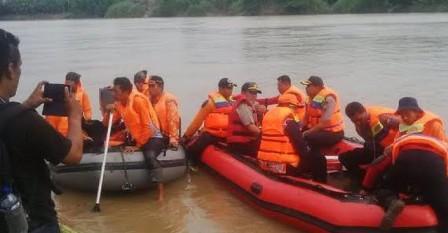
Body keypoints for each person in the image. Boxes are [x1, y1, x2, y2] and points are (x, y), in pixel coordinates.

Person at [0, 29, 83, 233]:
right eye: (19, 66)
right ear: (10, 68)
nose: (19, 72)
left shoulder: (18, 113)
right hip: (32, 220)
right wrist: (75, 116)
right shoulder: (25, 122)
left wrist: (26, 105)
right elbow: (73, 156)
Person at [362, 97, 448, 232]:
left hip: (413, 159)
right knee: (442, 206)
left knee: (384, 188)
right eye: (401, 115)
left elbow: (391, 155)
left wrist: (366, 188)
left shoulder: (433, 125)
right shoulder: (403, 126)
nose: (404, 117)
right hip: (431, 163)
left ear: (417, 112)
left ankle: (392, 201)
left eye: (406, 113)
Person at [104, 77, 165, 200]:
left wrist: (137, 146)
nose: (114, 94)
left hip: (152, 136)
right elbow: (107, 124)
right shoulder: (119, 103)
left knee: (150, 156)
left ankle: (161, 194)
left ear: (126, 91)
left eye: (116, 91)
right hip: (137, 137)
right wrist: (107, 111)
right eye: (113, 91)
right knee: (109, 142)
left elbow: (147, 127)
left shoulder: (138, 101)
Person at [300, 76, 344, 183]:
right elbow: (305, 119)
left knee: (310, 139)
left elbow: (325, 122)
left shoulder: (329, 98)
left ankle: (320, 178)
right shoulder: (311, 99)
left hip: (333, 132)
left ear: (317, 87)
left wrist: (306, 133)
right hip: (319, 130)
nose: (306, 89)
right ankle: (306, 169)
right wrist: (297, 129)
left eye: (308, 86)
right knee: (299, 136)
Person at [339, 102, 399, 179]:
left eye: (359, 119)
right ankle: (362, 177)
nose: (358, 123)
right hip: (378, 149)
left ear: (364, 112)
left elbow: (406, 125)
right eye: (354, 121)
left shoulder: (383, 118)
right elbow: (369, 142)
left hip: (394, 150)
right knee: (344, 157)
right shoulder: (359, 127)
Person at [182, 78, 236, 164]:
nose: (231, 91)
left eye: (231, 88)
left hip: (227, 135)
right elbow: (197, 121)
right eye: (228, 88)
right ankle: (192, 163)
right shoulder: (210, 103)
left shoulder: (234, 102)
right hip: (211, 134)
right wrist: (186, 136)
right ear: (220, 89)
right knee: (193, 148)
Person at [257, 93, 310, 176]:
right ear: (289, 105)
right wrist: (307, 155)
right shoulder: (289, 120)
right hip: (285, 166)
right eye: (294, 106)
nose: (295, 109)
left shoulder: (267, 117)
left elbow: (260, 139)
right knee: (315, 158)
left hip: (264, 163)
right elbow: (300, 144)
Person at [46, 72, 92, 136]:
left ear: (77, 83)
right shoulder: (58, 94)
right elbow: (51, 117)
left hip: (77, 128)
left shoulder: (83, 94)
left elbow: (87, 110)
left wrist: (86, 121)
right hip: (60, 131)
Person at [227, 82, 263, 157]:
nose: (254, 96)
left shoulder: (250, 105)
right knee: (265, 145)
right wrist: (264, 134)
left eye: (255, 93)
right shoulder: (243, 105)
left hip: (246, 141)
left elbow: (257, 124)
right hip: (239, 144)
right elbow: (250, 126)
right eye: (251, 93)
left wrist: (260, 114)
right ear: (243, 93)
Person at [148, 75, 180, 149]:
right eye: (149, 86)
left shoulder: (169, 100)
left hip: (165, 135)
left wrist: (173, 138)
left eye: (152, 86)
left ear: (160, 86)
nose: (150, 88)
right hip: (152, 134)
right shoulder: (148, 100)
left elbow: (173, 120)